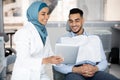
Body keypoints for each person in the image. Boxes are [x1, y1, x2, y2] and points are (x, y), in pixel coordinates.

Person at [53, 8, 119, 80]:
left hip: (94, 71)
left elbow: (104, 61)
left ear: (82, 20)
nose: (74, 24)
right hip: (74, 73)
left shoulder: (94, 38)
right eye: (71, 21)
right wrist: (76, 69)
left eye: (77, 21)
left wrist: (95, 68)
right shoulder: (62, 40)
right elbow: (57, 65)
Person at [11, 1, 63, 80]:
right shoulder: (23, 32)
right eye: (43, 14)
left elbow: (48, 53)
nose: (47, 17)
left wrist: (56, 59)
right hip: (25, 76)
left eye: (48, 13)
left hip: (40, 74)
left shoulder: (43, 32)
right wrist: (47, 60)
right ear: (34, 14)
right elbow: (23, 60)